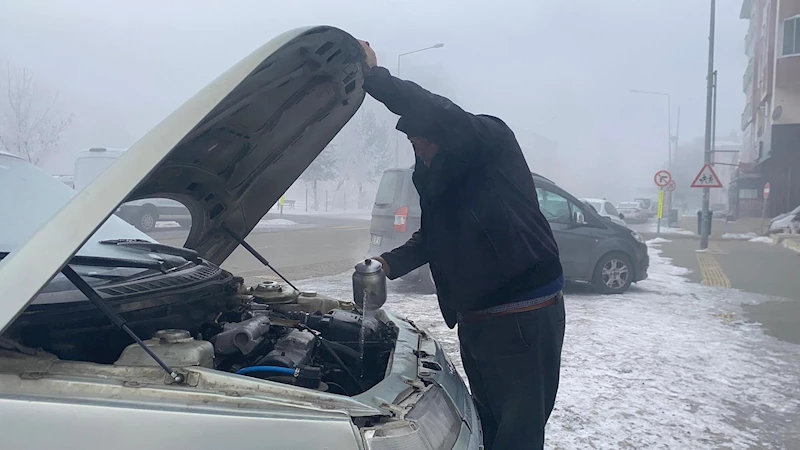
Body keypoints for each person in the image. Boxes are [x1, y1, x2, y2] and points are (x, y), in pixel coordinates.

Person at [358, 40, 566, 450]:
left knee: (519, 431)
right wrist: (387, 262)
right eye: (412, 140)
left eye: (423, 138)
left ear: (444, 132)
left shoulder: (488, 141)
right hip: (478, 318)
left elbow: (439, 110)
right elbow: (436, 236)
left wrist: (372, 78)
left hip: (523, 314)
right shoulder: (431, 173)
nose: (417, 145)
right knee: (484, 419)